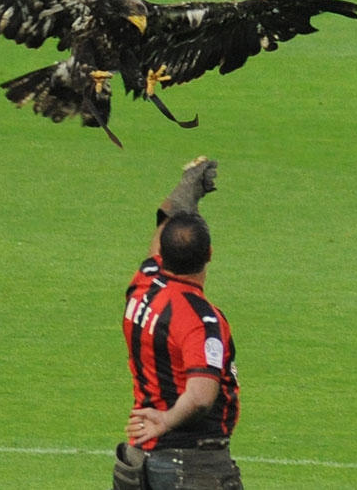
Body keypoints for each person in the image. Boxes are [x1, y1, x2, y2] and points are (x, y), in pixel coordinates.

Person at [111, 157, 243, 490]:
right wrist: (165, 421)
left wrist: (186, 191)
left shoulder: (144, 284)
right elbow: (200, 396)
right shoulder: (200, 318)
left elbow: (161, 239)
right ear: (210, 253)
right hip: (191, 466)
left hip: (141, 459)